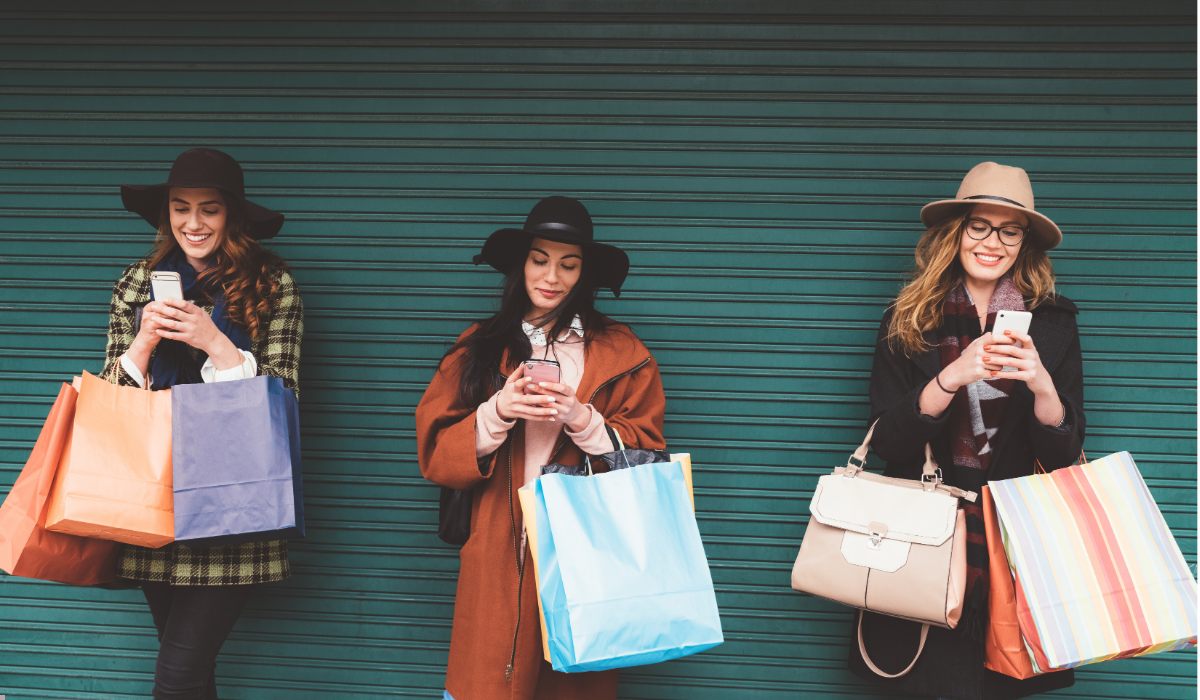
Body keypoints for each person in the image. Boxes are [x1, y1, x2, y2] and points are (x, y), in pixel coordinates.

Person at [848, 162, 1084, 700]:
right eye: (980, 225)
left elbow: (1064, 454)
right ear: (956, 231)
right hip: (921, 542)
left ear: (1024, 243)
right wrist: (951, 377)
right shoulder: (907, 318)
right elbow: (886, 443)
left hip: (1014, 544)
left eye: (1009, 231)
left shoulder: (1054, 321)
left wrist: (1043, 386)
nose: (992, 242)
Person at [416, 196, 666, 700]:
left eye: (568, 264)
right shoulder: (478, 347)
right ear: (521, 264)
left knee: (570, 685)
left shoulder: (624, 354)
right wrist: (498, 410)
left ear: (584, 274)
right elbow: (437, 455)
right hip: (497, 544)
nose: (551, 277)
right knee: (490, 681)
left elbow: (647, 461)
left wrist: (581, 418)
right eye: (539, 259)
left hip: (586, 549)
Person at [101, 148, 303, 700]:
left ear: (231, 214)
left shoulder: (272, 283)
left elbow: (284, 397)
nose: (193, 223)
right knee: (191, 677)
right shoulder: (136, 282)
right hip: (152, 497)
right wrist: (144, 340)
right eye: (180, 207)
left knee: (177, 677)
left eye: (209, 209)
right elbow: (111, 401)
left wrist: (216, 343)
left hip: (233, 504)